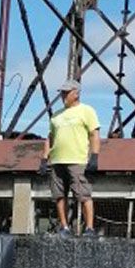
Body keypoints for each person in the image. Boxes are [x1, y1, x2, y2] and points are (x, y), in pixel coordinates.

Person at [39, 80, 101, 237]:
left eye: (66, 92)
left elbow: (94, 134)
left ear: (76, 93)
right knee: (59, 195)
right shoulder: (56, 116)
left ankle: (89, 228)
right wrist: (44, 159)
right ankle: (64, 228)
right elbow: (50, 137)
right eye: (62, 92)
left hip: (77, 160)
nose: (63, 96)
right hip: (57, 161)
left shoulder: (87, 111)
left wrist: (94, 156)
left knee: (83, 194)